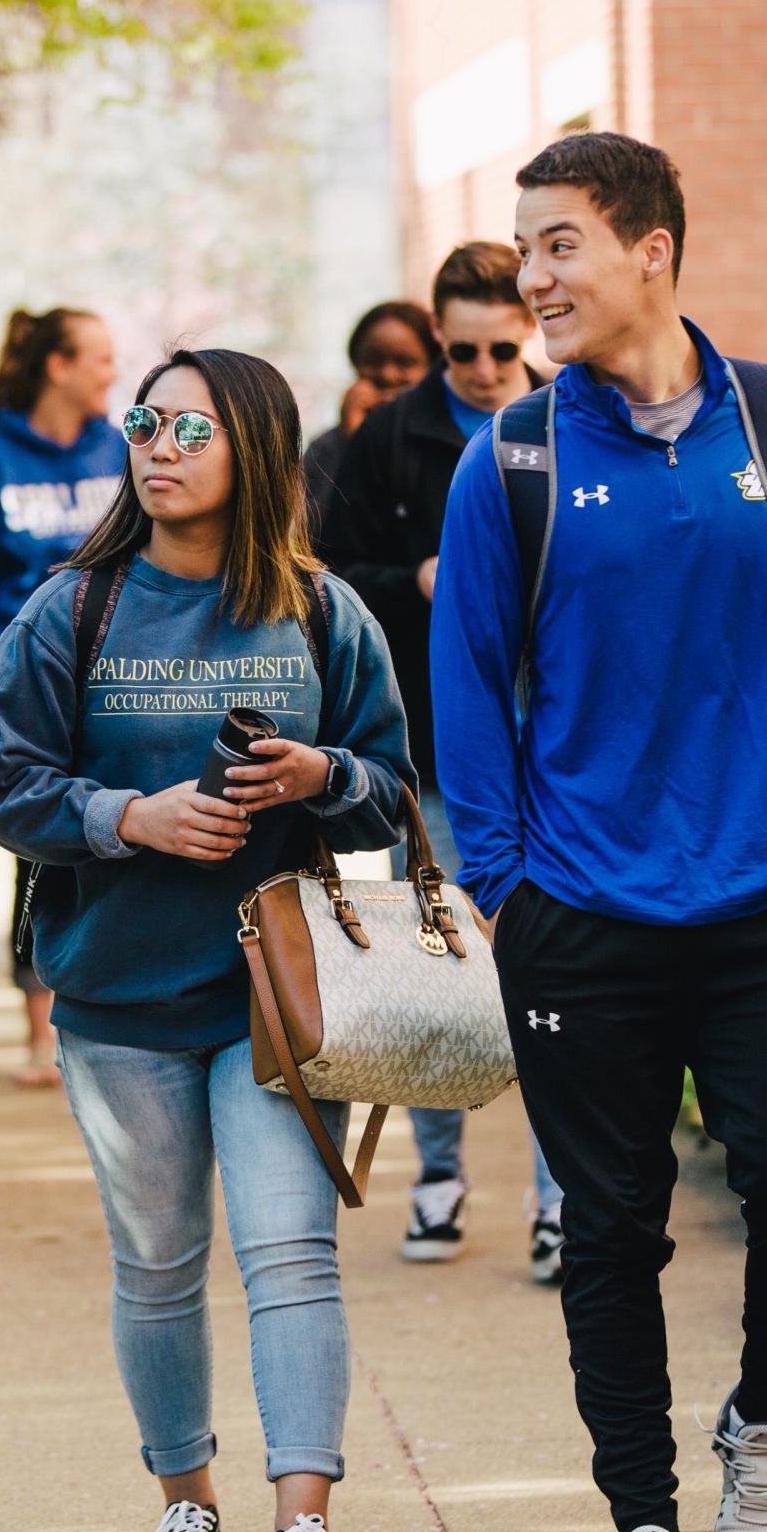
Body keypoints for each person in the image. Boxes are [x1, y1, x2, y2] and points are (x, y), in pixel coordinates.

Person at [429, 132, 767, 1532]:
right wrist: (504, 884)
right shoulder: (513, 457)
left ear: (651, 251)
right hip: (583, 912)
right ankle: (643, 1525)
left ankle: (764, 1422)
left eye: (558, 244)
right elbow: (469, 679)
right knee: (611, 1229)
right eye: (523, 247)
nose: (531, 275)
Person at [0, 347, 414, 1532]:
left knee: (292, 1252)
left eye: (190, 429)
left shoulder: (322, 612)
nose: (158, 447)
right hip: (116, 997)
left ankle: (301, 1527)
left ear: (254, 451)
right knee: (158, 1260)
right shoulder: (71, 611)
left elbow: (394, 783)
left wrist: (319, 777)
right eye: (145, 424)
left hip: (275, 1000)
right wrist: (128, 818)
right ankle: (187, 1502)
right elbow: (5, 787)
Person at [318, 243, 559, 1273]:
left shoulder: (569, 419)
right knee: (438, 976)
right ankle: (439, 1181)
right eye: (459, 348)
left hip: (558, 754)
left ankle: (561, 1201)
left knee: (556, 977)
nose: (482, 367)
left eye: (502, 347)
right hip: (427, 753)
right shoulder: (389, 440)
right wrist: (413, 575)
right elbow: (328, 581)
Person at [0, 307, 127, 1086]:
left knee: (121, 828)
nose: (114, 372)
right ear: (60, 366)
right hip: (24, 681)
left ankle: (114, 1007)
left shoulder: (120, 449)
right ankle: (39, 1032)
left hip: (114, 675)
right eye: (101, 358)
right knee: (38, 845)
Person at [299, 299, 438, 527]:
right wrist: (353, 444)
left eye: (405, 363)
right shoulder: (325, 448)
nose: (387, 375)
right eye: (373, 360)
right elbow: (314, 535)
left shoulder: (441, 439)